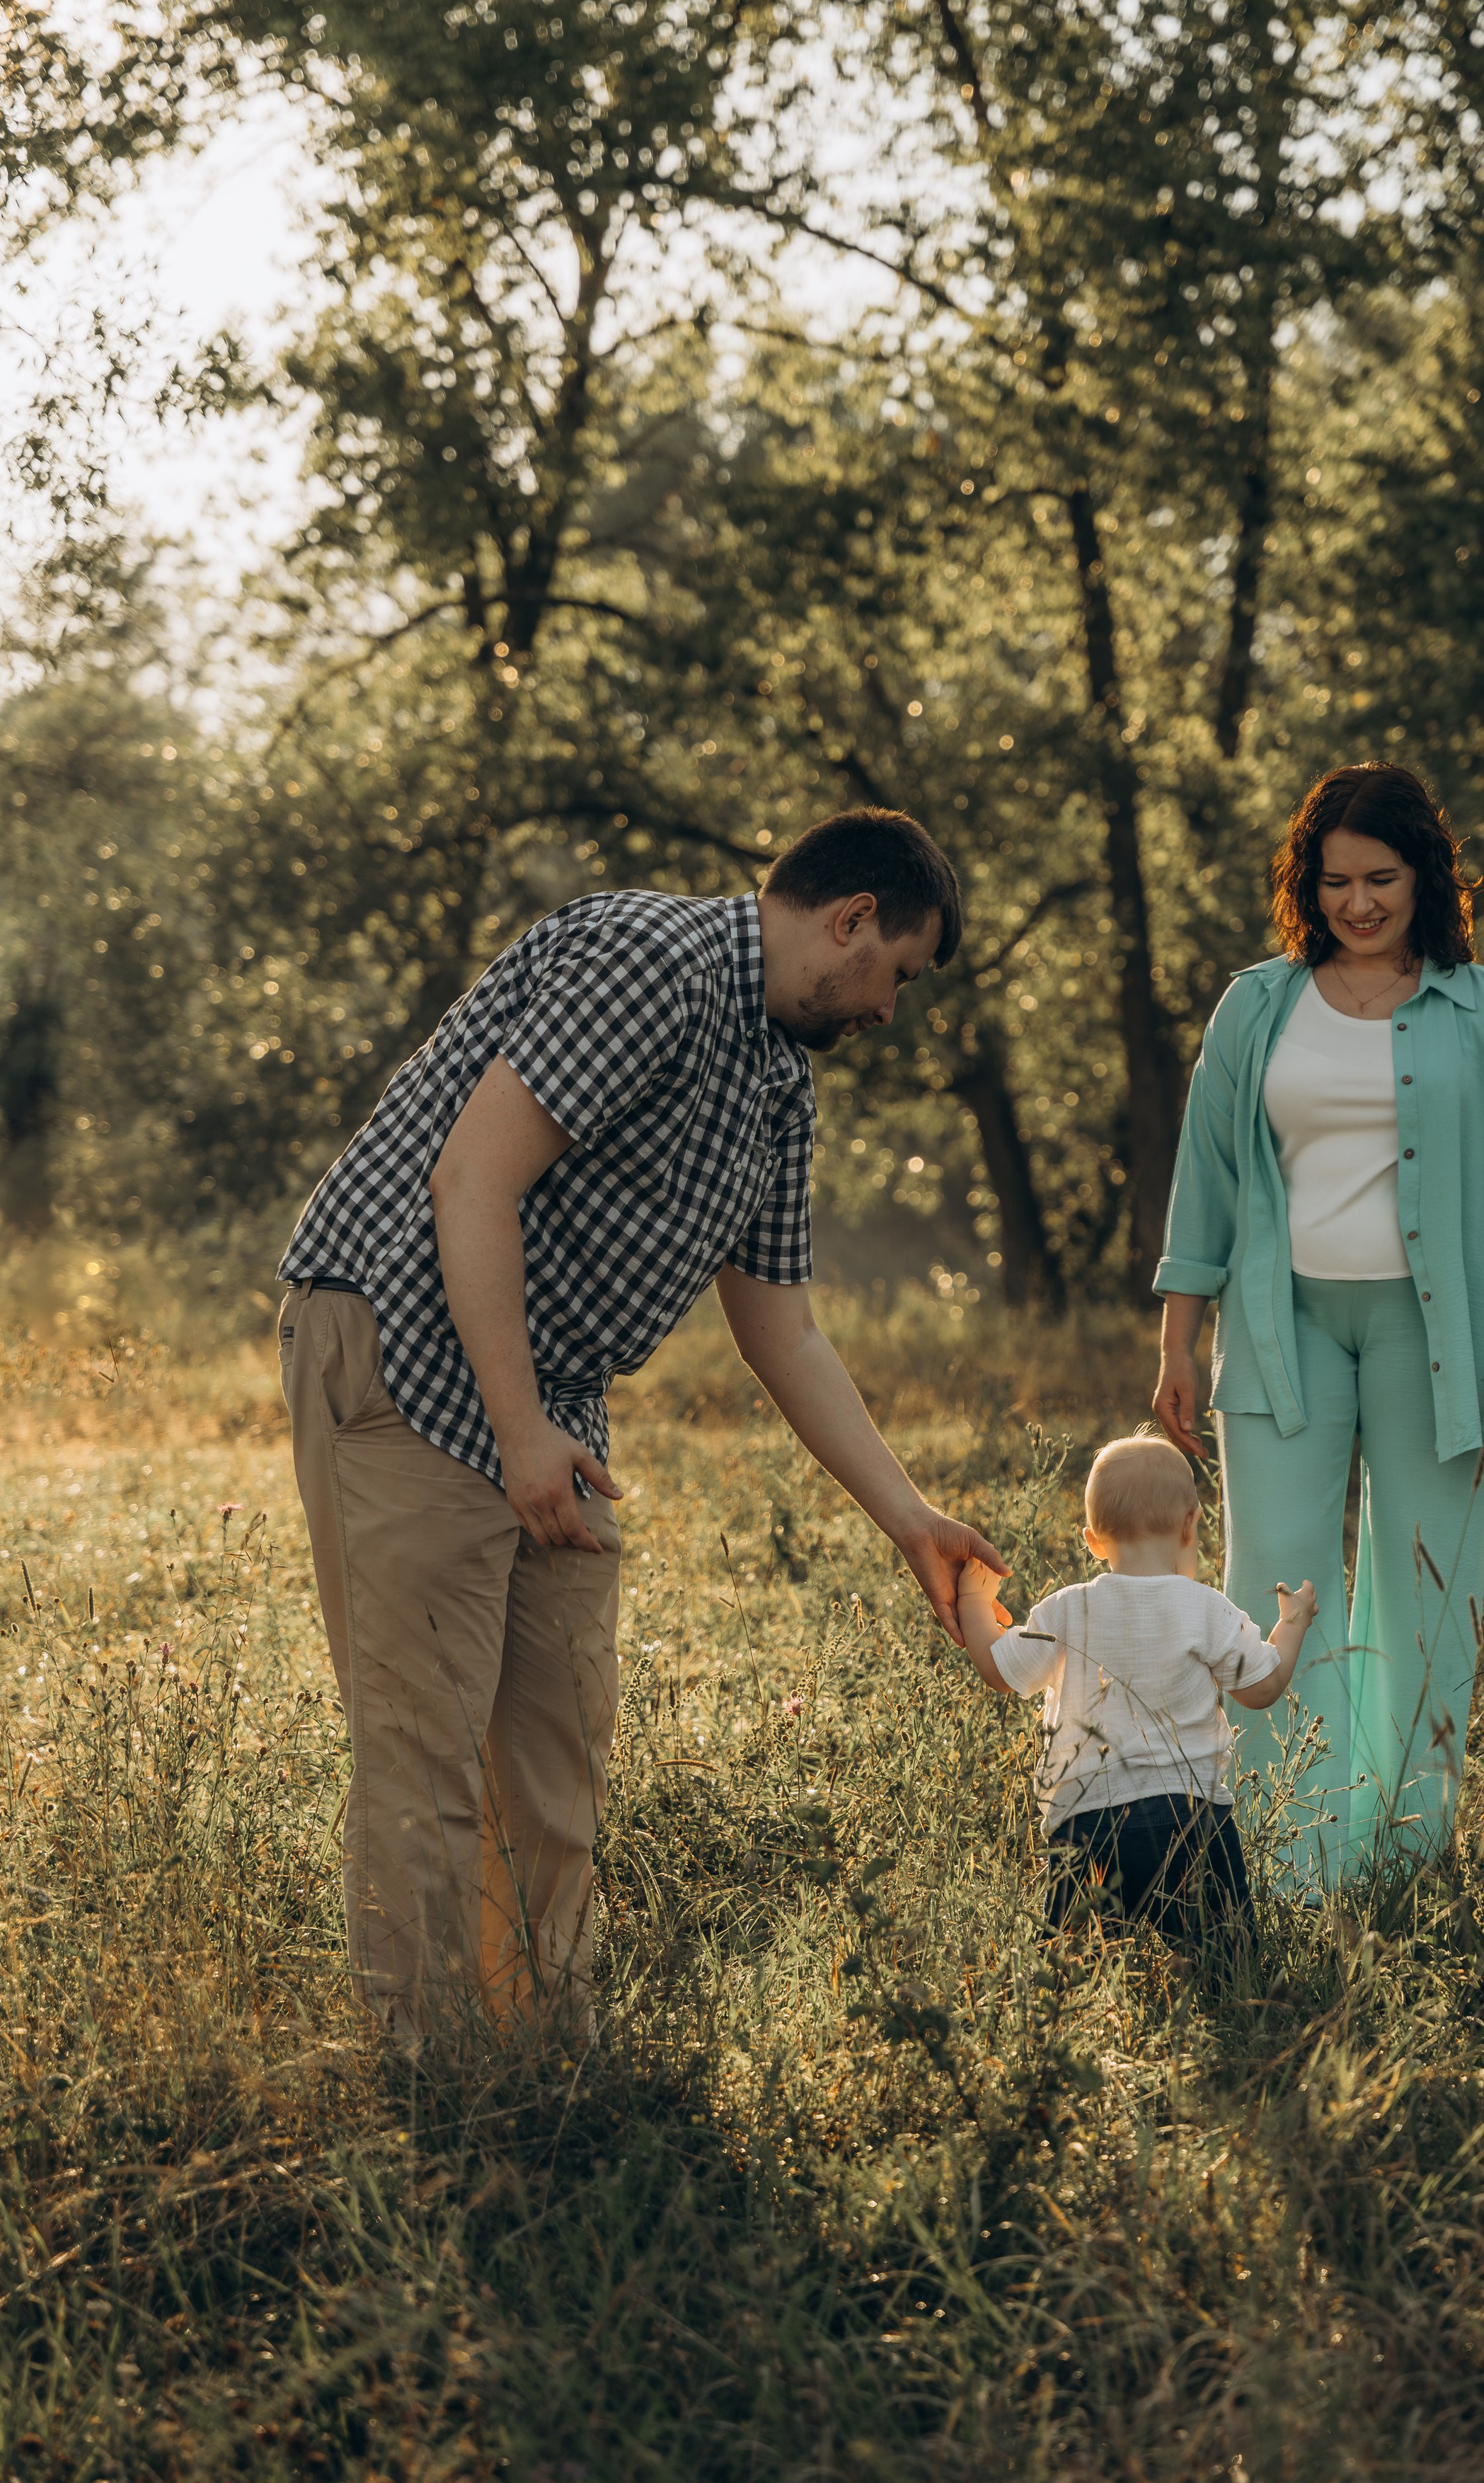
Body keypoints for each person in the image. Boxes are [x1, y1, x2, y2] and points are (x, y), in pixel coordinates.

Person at [275, 807, 1007, 2041]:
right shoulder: (650, 960)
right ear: (851, 921)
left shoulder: (778, 1081)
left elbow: (785, 1328)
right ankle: (438, 2080)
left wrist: (911, 1521)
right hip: (400, 1350)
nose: (891, 1009)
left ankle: (553, 2055)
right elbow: (474, 1180)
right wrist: (517, 1430)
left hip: (545, 1402)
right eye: (900, 974)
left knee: (557, 1746)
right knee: (427, 1750)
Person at [1150, 763, 1484, 1887]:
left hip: (1442, 1343)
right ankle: (1300, 1854)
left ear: (1425, 876)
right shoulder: (1255, 1005)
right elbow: (1208, 1176)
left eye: (1381, 879)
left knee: (1429, 1584)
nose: (1358, 904)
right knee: (1276, 1583)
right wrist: (1177, 1340)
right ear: (1309, 883)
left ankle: (1405, 1850)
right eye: (1335, 882)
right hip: (1279, 1325)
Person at [955, 1433, 1318, 1951]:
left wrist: (973, 1598)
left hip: (1085, 1821)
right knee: (1222, 1955)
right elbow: (1262, 1686)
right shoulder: (1205, 1607)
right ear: (1192, 1525)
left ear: (1093, 1541)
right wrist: (1293, 1622)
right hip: (1190, 1819)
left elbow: (998, 1668)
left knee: (1071, 1963)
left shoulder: (1065, 1610)